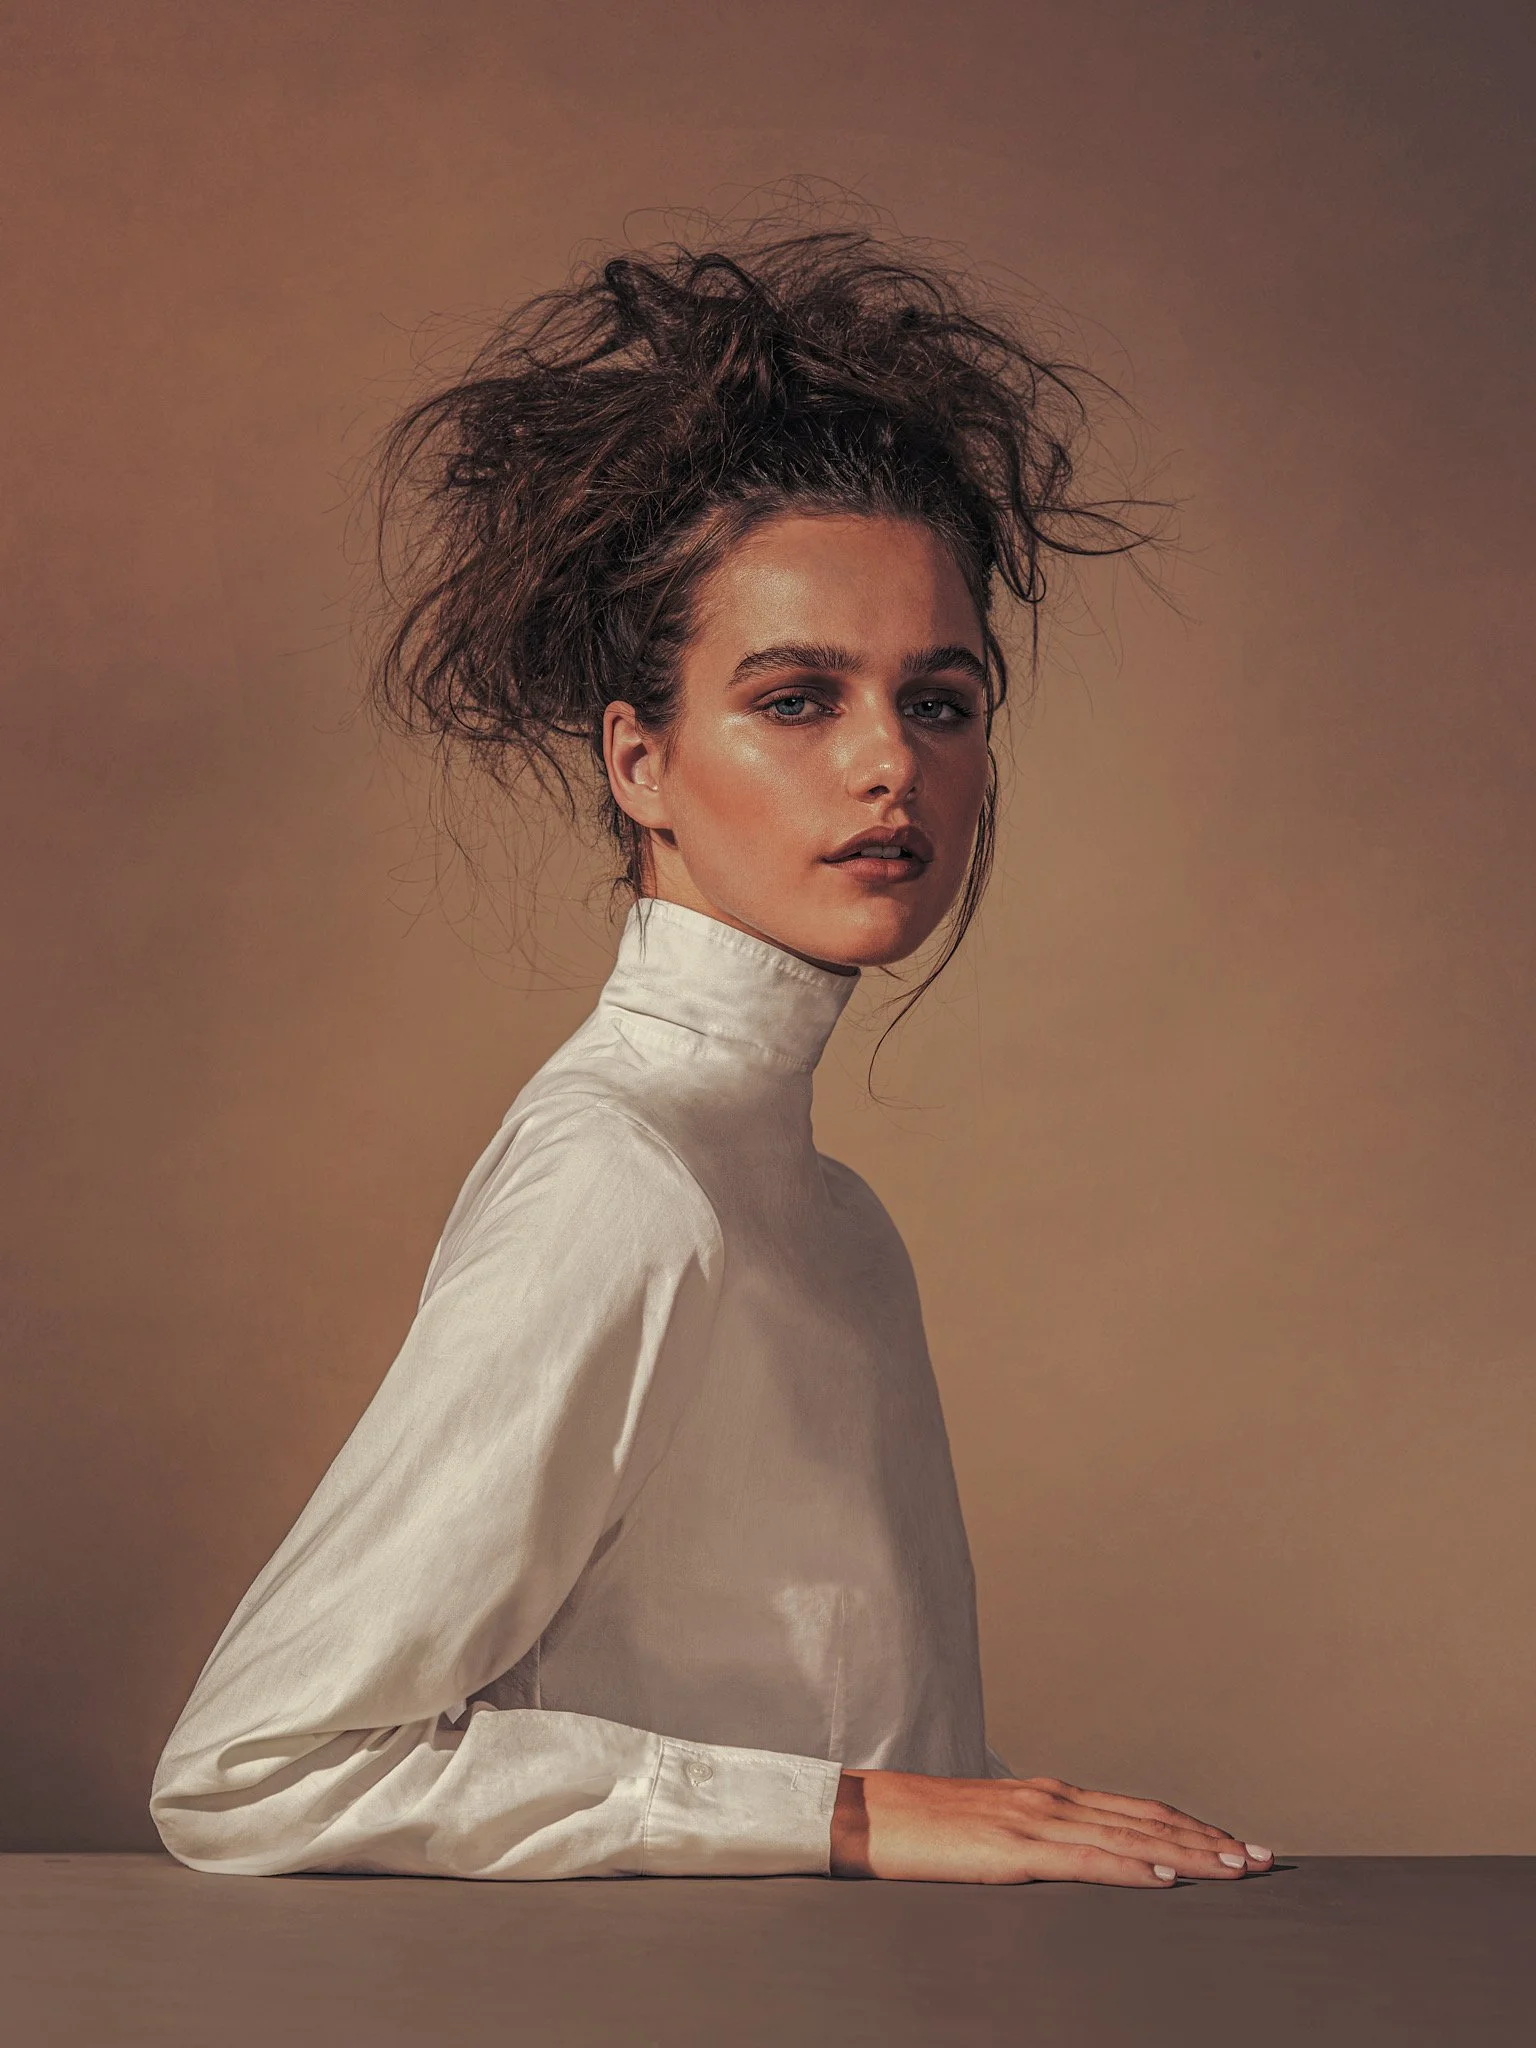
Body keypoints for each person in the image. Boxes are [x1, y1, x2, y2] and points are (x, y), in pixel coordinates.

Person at [151, 225, 1272, 1887]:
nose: (890, 763)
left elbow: (880, 1771)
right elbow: (255, 1767)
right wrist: (842, 1811)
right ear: (641, 762)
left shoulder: (835, 1227)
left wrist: (989, 1820)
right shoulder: (627, 1182)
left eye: (942, 701)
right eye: (799, 698)